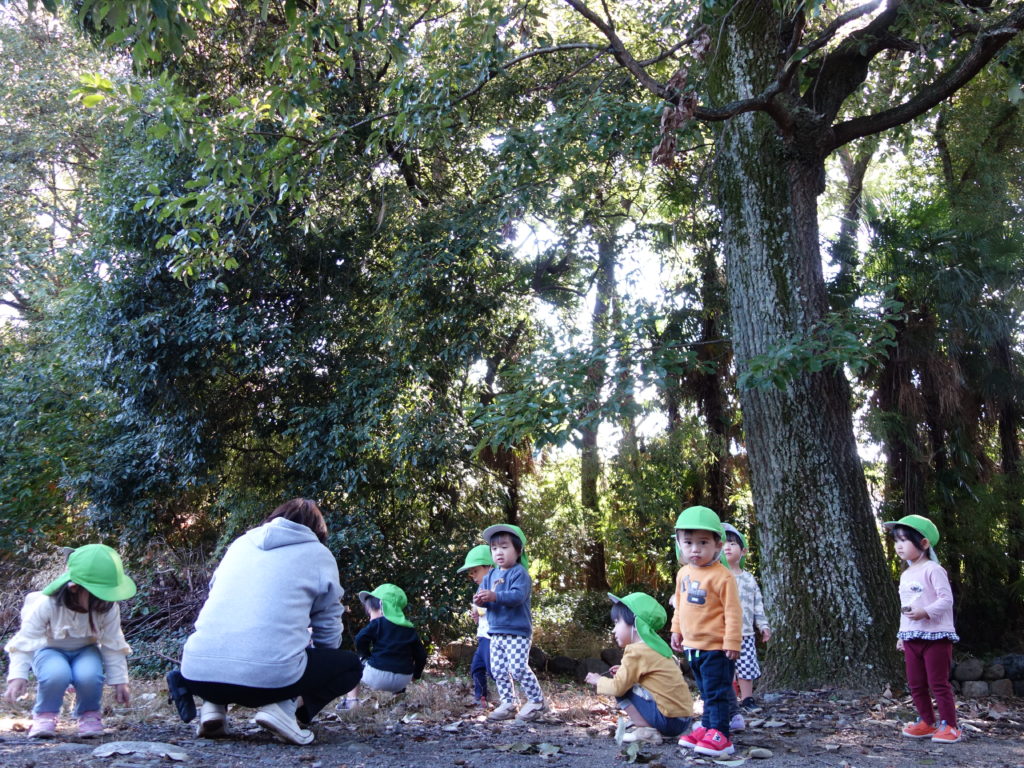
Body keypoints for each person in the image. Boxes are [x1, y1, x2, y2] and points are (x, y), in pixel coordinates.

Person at [166, 498, 362, 745]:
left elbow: (216, 594)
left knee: (230, 640)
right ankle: (284, 709)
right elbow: (328, 623)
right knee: (351, 665)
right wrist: (316, 670)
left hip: (198, 674)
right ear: (317, 530)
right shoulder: (318, 554)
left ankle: (213, 708)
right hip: (271, 684)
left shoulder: (240, 544)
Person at [3, 544, 136, 739]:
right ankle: (45, 715)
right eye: (98, 595)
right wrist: (18, 676)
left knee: (89, 675)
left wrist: (120, 681)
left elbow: (113, 644)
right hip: (49, 649)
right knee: (56, 674)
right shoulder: (47, 604)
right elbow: (25, 640)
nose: (103, 601)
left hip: (86, 649)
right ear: (74, 588)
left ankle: (89, 714)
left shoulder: (107, 607)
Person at [670, 506, 742, 758]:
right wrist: (676, 630)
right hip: (693, 646)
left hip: (717, 647)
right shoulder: (683, 573)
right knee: (705, 691)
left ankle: (722, 735)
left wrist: (733, 641)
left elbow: (733, 612)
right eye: (688, 542)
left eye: (703, 542)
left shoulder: (723, 576)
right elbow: (680, 606)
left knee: (718, 691)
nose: (695, 549)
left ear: (717, 545)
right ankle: (709, 728)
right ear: (679, 544)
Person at [883, 514, 961, 744]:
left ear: (924, 544)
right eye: (896, 540)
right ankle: (927, 722)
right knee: (915, 683)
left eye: (905, 540)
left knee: (938, 683)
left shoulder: (933, 569)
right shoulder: (906, 574)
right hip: (911, 637)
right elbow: (904, 607)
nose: (898, 545)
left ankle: (950, 726)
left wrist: (925, 612)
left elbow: (946, 599)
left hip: (936, 636)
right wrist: (901, 634)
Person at [585, 593, 693, 745]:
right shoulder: (657, 646)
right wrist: (624, 670)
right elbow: (653, 678)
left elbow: (617, 688)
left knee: (622, 691)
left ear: (635, 624)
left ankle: (646, 731)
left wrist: (598, 680)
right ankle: (656, 729)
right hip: (682, 720)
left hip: (668, 720)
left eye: (617, 623)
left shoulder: (635, 651)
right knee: (626, 683)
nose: (613, 630)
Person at [472, 523, 546, 721]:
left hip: (517, 631)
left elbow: (517, 597)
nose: (499, 552)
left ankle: (536, 701)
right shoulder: (491, 575)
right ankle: (508, 703)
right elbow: (485, 599)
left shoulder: (519, 573)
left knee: (518, 667)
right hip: (495, 631)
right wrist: (480, 603)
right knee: (497, 669)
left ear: (518, 550)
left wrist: (494, 596)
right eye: (494, 548)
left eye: (505, 547)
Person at [336, 584, 427, 709]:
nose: (370, 617)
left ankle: (352, 702)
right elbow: (421, 655)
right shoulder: (409, 629)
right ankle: (398, 703)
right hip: (403, 679)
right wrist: (416, 675)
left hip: (377, 676)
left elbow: (360, 639)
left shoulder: (377, 624)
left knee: (351, 664)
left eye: (370, 612)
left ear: (381, 606)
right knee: (399, 661)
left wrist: (364, 655)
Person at [721, 522, 771, 730]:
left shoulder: (749, 579)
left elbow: (757, 604)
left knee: (746, 668)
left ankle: (747, 699)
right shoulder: (717, 576)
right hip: (722, 634)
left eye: (733, 544)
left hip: (746, 633)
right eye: (723, 543)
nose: (727, 547)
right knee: (726, 669)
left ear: (743, 551)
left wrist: (763, 625)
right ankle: (730, 703)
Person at [457, 544, 495, 709]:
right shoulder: (480, 587)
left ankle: (509, 699)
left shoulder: (496, 585)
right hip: (482, 635)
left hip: (492, 636)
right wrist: (476, 615)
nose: (472, 575)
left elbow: (497, 608)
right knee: (476, 668)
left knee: (494, 671)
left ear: (490, 567)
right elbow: (480, 615)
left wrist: (482, 607)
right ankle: (481, 698)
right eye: (470, 573)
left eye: (476, 571)